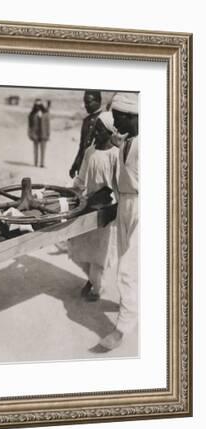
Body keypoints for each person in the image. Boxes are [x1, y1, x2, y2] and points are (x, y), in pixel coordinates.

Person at [99, 92, 139, 351]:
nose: (115, 124)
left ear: (130, 115)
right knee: (128, 261)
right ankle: (132, 307)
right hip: (125, 203)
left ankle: (123, 326)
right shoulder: (126, 141)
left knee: (127, 268)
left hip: (143, 205)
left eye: (118, 119)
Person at [68, 111, 119, 302]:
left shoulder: (116, 155)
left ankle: (96, 286)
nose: (95, 134)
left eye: (99, 130)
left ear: (110, 132)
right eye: (95, 129)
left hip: (106, 210)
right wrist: (74, 193)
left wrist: (112, 203)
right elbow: (81, 178)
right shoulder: (90, 151)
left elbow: (119, 186)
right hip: (88, 206)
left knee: (99, 251)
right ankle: (91, 278)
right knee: (80, 247)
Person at [69, 90, 103, 178]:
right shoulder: (86, 121)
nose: (85, 106)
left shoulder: (105, 120)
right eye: (85, 102)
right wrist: (76, 164)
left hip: (97, 167)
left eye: (88, 102)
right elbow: (82, 146)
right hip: (83, 166)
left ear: (98, 101)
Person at [27, 98, 51, 168]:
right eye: (36, 105)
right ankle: (35, 163)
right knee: (35, 149)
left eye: (39, 105)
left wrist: (48, 134)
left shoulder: (46, 114)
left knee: (43, 149)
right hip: (35, 134)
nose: (38, 107)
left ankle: (42, 163)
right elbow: (30, 125)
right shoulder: (31, 114)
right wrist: (30, 134)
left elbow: (48, 125)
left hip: (43, 134)